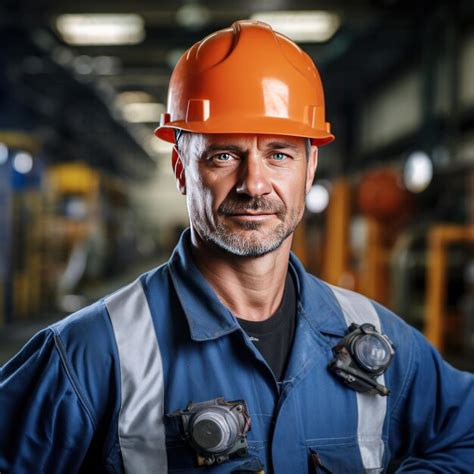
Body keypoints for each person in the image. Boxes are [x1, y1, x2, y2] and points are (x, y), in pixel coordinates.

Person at [1, 20, 473, 474]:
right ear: (182, 168)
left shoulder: (376, 337)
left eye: (279, 154)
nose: (254, 184)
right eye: (224, 154)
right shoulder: (92, 354)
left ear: (309, 170)